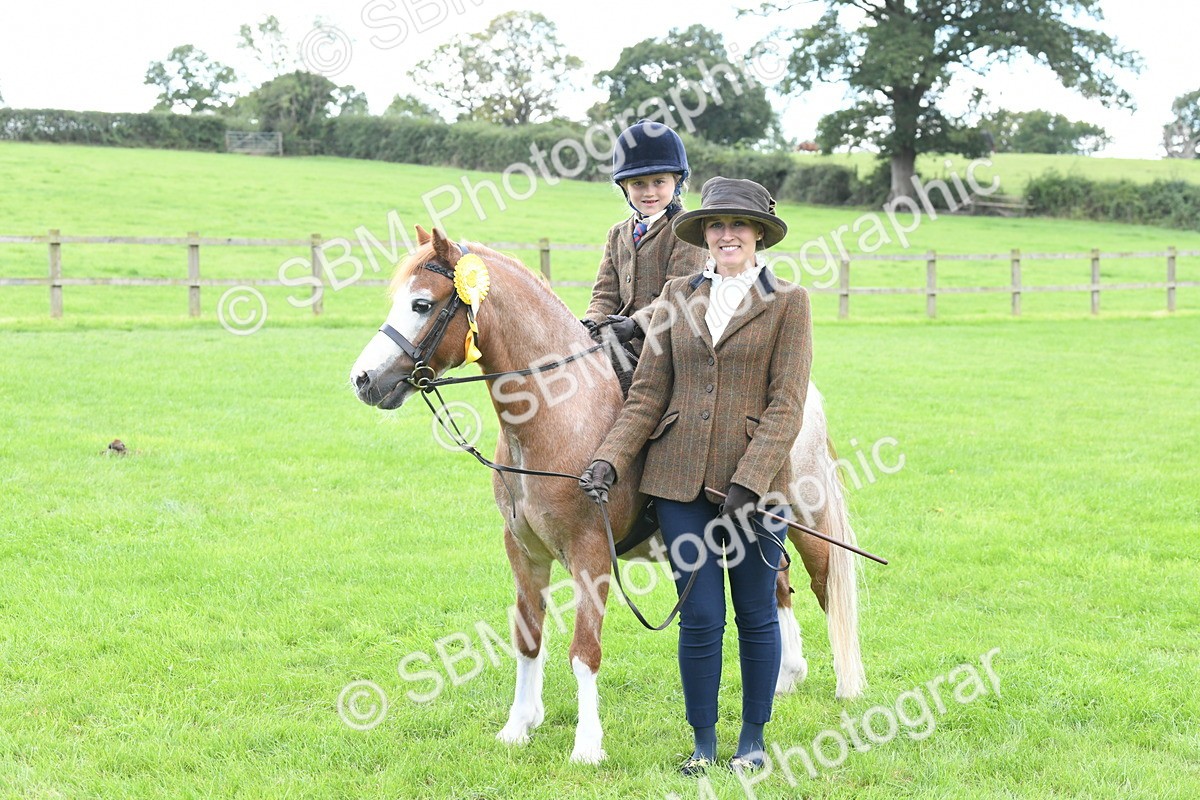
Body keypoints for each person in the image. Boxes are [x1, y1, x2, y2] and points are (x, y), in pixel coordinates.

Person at [579, 177, 812, 775]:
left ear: (758, 234)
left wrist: (751, 482)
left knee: (756, 614)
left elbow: (788, 404)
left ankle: (752, 741)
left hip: (754, 494)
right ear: (704, 234)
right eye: (715, 225)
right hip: (677, 484)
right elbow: (649, 394)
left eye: (738, 225)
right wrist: (609, 457)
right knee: (702, 617)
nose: (726, 234)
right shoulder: (678, 296)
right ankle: (704, 744)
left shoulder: (789, 301)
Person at [582, 119, 708, 356]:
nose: (649, 192)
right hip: (622, 342)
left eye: (659, 182)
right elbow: (604, 294)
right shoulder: (617, 234)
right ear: (624, 187)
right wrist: (592, 321)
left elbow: (680, 295)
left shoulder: (688, 230)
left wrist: (635, 324)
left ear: (677, 181)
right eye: (638, 184)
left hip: (668, 345)